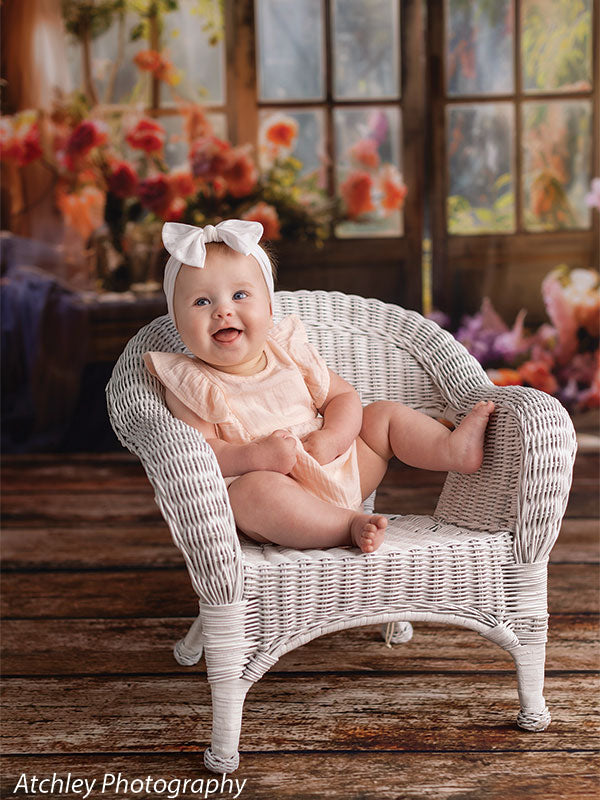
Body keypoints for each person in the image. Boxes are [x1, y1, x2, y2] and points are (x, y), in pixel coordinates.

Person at [144, 220, 494, 555]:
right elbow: (204, 452)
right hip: (279, 492)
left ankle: (451, 450)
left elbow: (343, 397)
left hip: (341, 465)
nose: (223, 311)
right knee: (251, 493)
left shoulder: (289, 353)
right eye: (202, 302)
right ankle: (346, 527)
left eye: (239, 295)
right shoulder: (191, 382)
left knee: (382, 416)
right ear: (177, 321)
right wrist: (256, 457)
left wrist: (336, 437)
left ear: (268, 308)